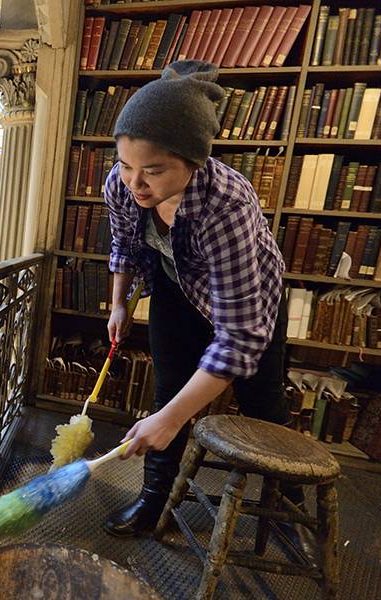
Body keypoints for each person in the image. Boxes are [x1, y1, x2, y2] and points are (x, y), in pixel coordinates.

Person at [101, 60, 311, 554]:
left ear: (193, 161)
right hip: (177, 287)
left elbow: (237, 338)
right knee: (167, 389)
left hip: (247, 302)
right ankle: (154, 499)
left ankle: (286, 508)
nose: (135, 183)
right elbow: (124, 245)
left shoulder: (228, 203)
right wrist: (117, 303)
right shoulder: (120, 183)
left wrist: (174, 419)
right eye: (127, 165)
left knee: (262, 403)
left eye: (153, 171)